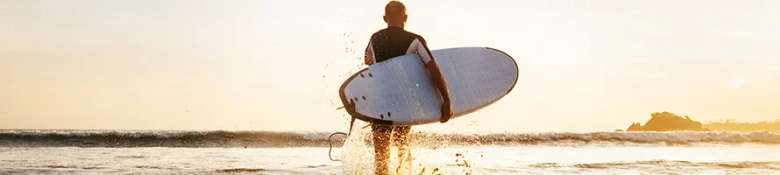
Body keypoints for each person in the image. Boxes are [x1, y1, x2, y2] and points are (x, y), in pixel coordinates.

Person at [363, 1, 454, 174]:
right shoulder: (415, 40)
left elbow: (368, 61)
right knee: (402, 141)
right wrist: (446, 99)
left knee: (381, 151)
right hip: (404, 101)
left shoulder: (375, 38)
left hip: (380, 102)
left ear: (385, 18)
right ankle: (404, 171)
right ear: (405, 17)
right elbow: (432, 67)